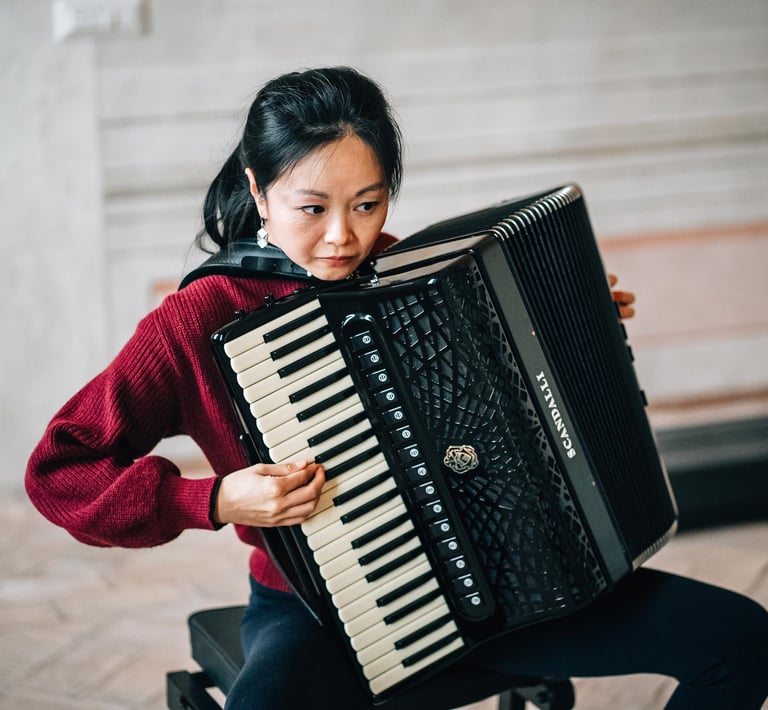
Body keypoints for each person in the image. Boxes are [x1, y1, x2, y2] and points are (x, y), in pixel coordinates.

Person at [26, 66, 768, 710]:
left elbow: (513, 430)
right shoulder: (199, 320)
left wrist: (576, 323)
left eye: (368, 204)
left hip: (511, 594)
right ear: (258, 189)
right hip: (324, 618)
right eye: (312, 208)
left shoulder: (428, 281)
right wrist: (215, 499)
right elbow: (62, 470)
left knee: (743, 642)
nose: (343, 238)